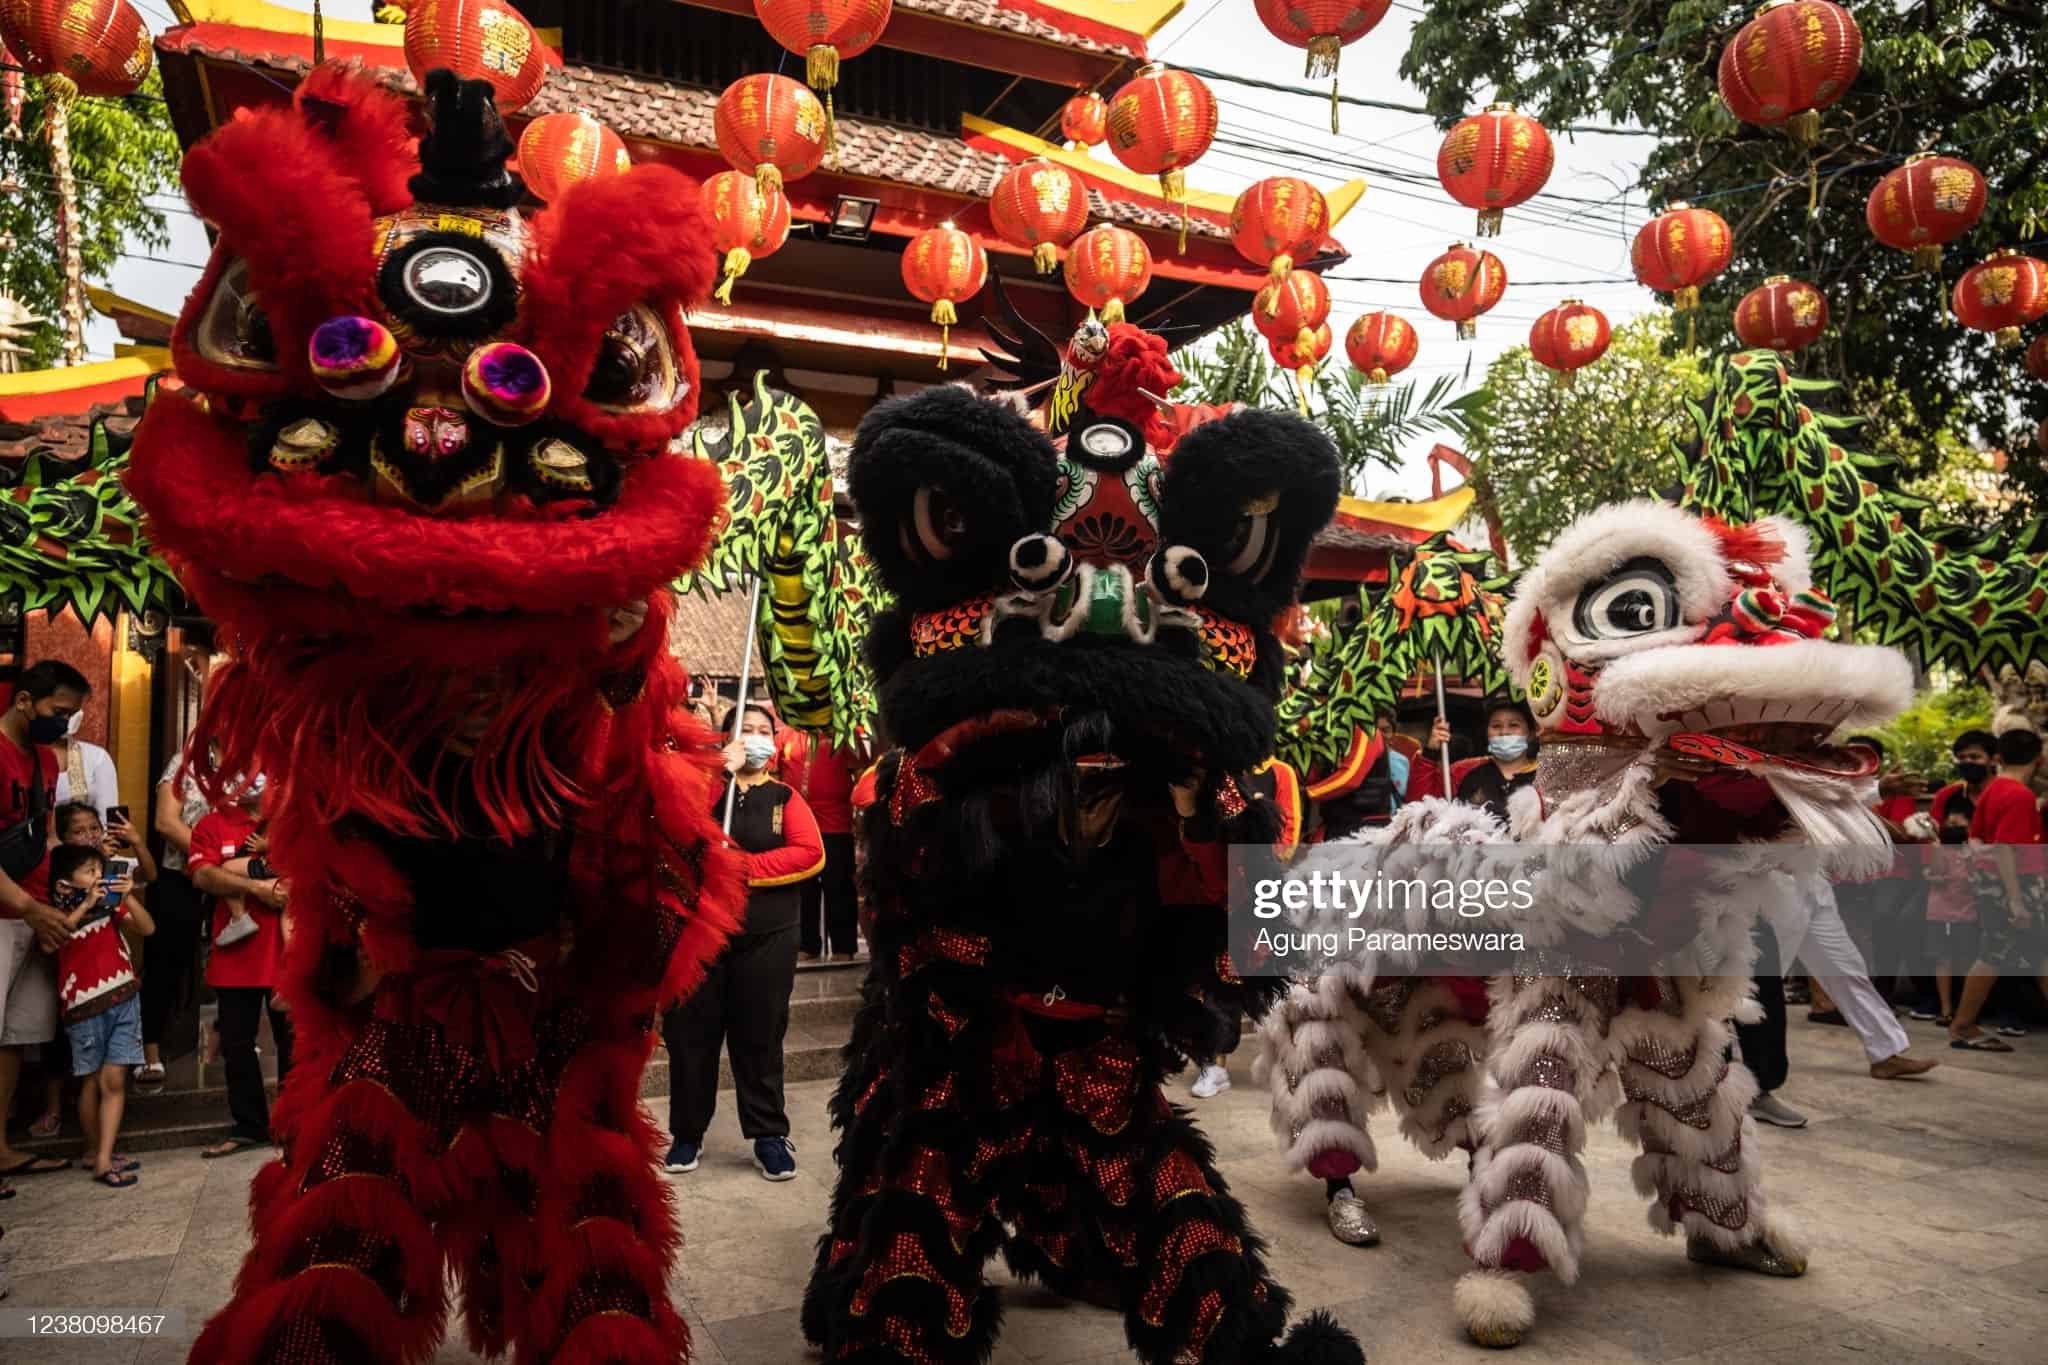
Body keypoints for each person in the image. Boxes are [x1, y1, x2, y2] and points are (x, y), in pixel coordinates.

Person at [663, 704, 822, 1180]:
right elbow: (677, 836)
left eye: (763, 731)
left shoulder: (785, 797)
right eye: (745, 731)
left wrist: (740, 870)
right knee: (691, 1037)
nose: (756, 738)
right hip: (701, 936)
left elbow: (809, 853)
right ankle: (687, 1134)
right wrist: (716, 772)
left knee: (760, 1035)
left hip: (768, 937)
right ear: (725, 738)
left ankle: (769, 1134)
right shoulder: (701, 787)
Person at [0, 661, 91, 1190]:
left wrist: (69, 893)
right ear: (25, 702)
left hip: (35, 913)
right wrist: (27, 906)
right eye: (60, 712)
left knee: (14, 1037)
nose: (66, 724)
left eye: (74, 715)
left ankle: (3, 1147)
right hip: (8, 912)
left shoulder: (44, 764)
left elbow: (45, 838)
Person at [187, 776, 293, 1157]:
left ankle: (294, 1125)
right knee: (236, 1044)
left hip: (289, 954)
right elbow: (202, 875)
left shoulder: (289, 818)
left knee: (294, 1045)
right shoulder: (212, 824)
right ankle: (249, 1126)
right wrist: (261, 888)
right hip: (235, 955)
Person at [47, 841, 154, 1185]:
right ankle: (95, 1152)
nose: (98, 877)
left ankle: (103, 1157)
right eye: (90, 872)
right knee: (91, 1081)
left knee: (114, 1080)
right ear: (64, 882)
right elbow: (51, 942)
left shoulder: (111, 906)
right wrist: (86, 905)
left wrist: (127, 896)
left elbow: (148, 928)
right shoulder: (54, 910)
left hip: (123, 997)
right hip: (83, 1008)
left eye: (100, 870)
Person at [1949, 727, 2047, 1051]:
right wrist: (2017, 900)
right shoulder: (2019, 796)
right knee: (2006, 953)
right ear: (2040, 759)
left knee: (2017, 953)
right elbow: (2006, 848)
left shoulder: (1993, 790)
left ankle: (1963, 1025)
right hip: (2017, 884)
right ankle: (1962, 1026)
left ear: (1999, 758)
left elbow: (1976, 840)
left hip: (1993, 883)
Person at [138, 744, 214, 1094]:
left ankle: (228, 1035)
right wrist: (209, 857)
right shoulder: (185, 762)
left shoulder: (255, 765)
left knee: (232, 958)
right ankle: (149, 1049)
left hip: (233, 877)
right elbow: (165, 823)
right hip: (179, 878)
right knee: (165, 964)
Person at [778, 726, 860, 962]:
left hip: (836, 825)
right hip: (796, 826)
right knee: (803, 889)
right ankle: (807, 945)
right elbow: (774, 774)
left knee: (839, 887)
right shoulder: (785, 735)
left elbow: (860, 771)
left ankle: (844, 946)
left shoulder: (843, 733)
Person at [1921, 796, 1980, 1027]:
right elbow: (1933, 875)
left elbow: (1977, 879)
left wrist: (1970, 857)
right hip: (1940, 912)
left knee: (1966, 960)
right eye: (1951, 826)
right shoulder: (1938, 847)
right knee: (1942, 959)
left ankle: (1966, 1011)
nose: (1954, 830)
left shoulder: (1974, 849)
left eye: (1960, 827)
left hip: (1967, 913)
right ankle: (1946, 1009)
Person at [1453, 697, 1538, 823]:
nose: (1504, 732)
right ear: (1487, 733)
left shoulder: (1543, 777)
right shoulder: (1472, 779)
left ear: (1530, 733)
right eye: (1496, 726)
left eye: (1514, 725)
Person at [50, 711, 119, 820]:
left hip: (86, 836)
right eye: (60, 710)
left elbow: (106, 820)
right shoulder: (25, 755)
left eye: (72, 710)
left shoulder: (96, 757)